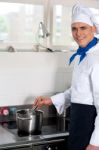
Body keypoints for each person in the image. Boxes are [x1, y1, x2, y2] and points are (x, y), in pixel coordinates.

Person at [33, 4, 99, 150]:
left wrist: (95, 143)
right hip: (78, 125)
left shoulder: (97, 59)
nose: (78, 33)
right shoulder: (82, 56)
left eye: (83, 28)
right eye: (74, 28)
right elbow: (78, 92)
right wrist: (50, 100)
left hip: (91, 129)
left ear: (93, 28)